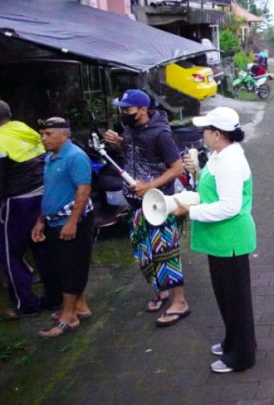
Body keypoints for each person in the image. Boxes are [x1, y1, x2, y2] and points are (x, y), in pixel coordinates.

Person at [176, 107, 257, 373]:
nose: (203, 135)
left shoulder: (231, 161)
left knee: (235, 300)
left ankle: (241, 356)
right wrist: (198, 172)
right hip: (220, 240)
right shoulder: (219, 155)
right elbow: (213, 190)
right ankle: (233, 341)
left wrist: (191, 210)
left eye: (206, 130)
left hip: (229, 239)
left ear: (218, 134)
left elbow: (229, 206)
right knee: (226, 296)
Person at [105, 89, 188, 326]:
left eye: (128, 109)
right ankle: (161, 291)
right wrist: (120, 143)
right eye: (122, 108)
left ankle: (180, 301)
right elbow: (137, 155)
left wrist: (150, 185)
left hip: (158, 203)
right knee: (144, 253)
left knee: (165, 252)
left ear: (142, 109)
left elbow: (177, 168)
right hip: (136, 205)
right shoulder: (130, 129)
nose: (124, 113)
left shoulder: (161, 134)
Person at [31, 117, 94, 338]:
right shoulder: (51, 157)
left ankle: (68, 317)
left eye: (48, 134)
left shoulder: (75, 157)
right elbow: (49, 190)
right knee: (65, 266)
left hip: (70, 221)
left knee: (70, 268)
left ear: (63, 135)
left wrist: (72, 222)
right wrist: (40, 220)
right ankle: (80, 306)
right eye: (42, 133)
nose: (43, 138)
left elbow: (83, 191)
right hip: (53, 220)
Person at [0, 101, 49, 318]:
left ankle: (26, 304)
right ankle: (54, 297)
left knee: (10, 254)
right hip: (44, 194)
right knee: (42, 248)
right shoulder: (22, 127)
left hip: (19, 200)